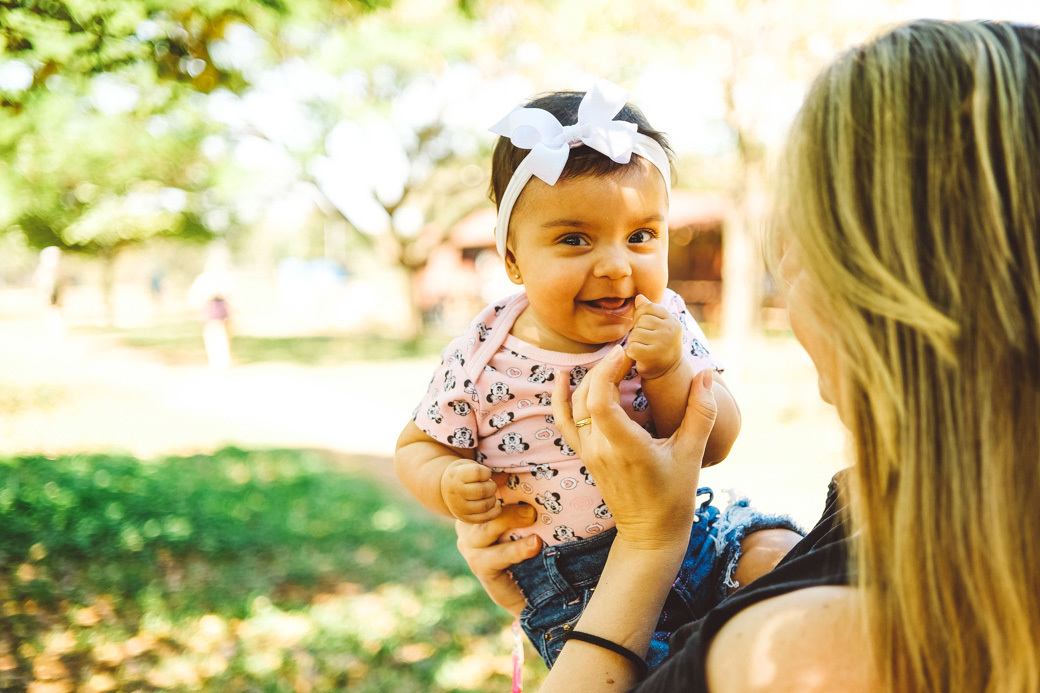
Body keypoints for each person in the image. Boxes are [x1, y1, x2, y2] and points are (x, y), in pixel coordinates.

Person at [456, 19, 1040, 692]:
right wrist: (566, 577)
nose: (785, 263)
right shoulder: (876, 527)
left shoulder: (802, 651)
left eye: (798, 234)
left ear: (878, 285)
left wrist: (645, 548)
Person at [395, 79, 802, 669]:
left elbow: (715, 443)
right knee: (655, 675)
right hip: (572, 584)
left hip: (696, 528)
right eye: (574, 239)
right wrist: (446, 480)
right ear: (512, 256)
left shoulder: (665, 325)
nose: (615, 266)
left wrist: (668, 369)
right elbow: (416, 445)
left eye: (640, 236)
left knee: (785, 556)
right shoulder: (481, 352)